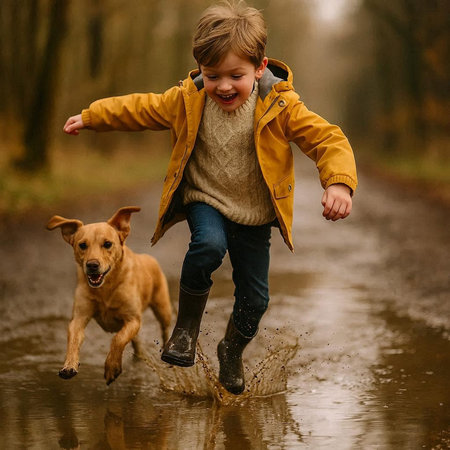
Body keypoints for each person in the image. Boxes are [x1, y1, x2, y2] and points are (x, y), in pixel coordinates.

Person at [63, 1, 357, 395]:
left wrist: (338, 182)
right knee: (208, 244)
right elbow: (142, 107)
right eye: (211, 74)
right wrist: (94, 115)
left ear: (260, 66)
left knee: (256, 299)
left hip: (254, 215)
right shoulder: (188, 99)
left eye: (236, 75)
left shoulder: (282, 105)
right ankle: (184, 331)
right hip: (207, 199)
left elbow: (327, 138)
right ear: (199, 68)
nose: (222, 85)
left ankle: (231, 351)